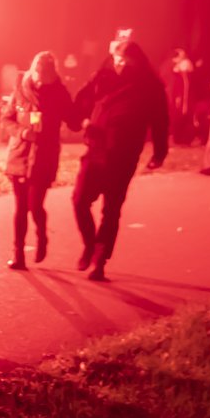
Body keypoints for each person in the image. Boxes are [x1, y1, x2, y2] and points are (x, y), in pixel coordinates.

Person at [71, 38, 168, 281]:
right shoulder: (103, 77)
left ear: (137, 61)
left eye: (126, 60)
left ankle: (100, 262)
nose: (121, 64)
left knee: (111, 209)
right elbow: (82, 100)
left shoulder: (150, 86)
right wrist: (78, 119)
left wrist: (159, 153)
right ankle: (90, 246)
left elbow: (160, 121)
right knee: (80, 200)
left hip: (124, 155)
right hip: (95, 149)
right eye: (118, 59)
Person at [0, 51, 76, 269]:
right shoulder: (21, 89)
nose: (41, 79)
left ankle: (42, 235)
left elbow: (73, 120)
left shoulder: (59, 93)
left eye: (46, 75)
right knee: (20, 208)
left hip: (44, 156)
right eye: (39, 74)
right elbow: (6, 119)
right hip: (19, 155)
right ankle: (18, 254)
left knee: (35, 205)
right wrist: (23, 133)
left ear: (53, 74)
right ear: (33, 70)